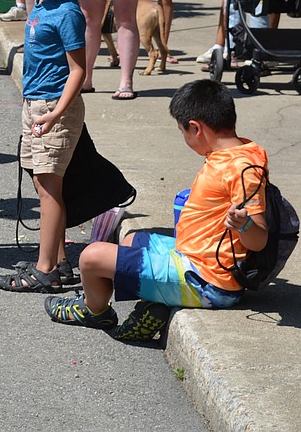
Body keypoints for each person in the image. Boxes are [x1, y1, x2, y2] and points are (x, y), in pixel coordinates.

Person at [46, 79, 268, 339]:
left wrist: (245, 225)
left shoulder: (241, 169)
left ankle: (93, 311)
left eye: (182, 131)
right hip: (195, 259)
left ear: (196, 128)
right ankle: (155, 302)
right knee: (130, 240)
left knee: (91, 257)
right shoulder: (241, 150)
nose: (183, 138)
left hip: (209, 282)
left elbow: (259, 240)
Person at [0, 0, 86, 292]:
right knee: (42, 184)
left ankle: (45, 268)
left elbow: (78, 70)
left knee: (49, 189)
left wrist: (55, 114)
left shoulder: (67, 11)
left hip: (53, 108)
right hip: (35, 105)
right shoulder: (42, 3)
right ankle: (60, 260)